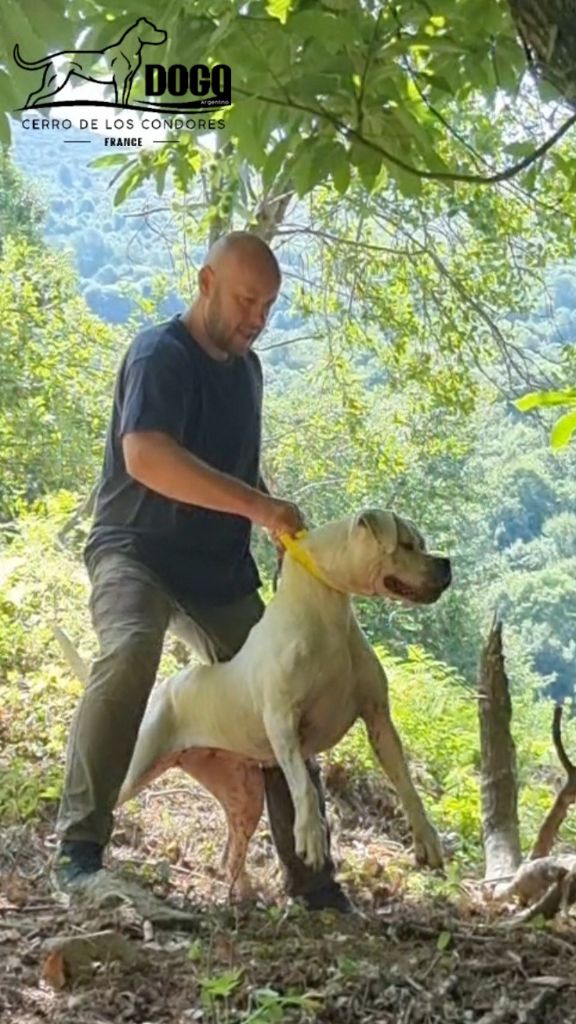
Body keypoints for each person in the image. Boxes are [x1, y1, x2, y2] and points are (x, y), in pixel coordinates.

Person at [54, 230, 352, 912]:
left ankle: (313, 880)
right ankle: (77, 853)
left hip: (219, 571)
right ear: (207, 282)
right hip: (135, 550)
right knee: (130, 652)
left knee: (289, 684)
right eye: (248, 299)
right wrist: (258, 506)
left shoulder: (247, 371)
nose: (258, 318)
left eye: (270, 306)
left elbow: (237, 467)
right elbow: (148, 458)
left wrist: (278, 525)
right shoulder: (160, 355)